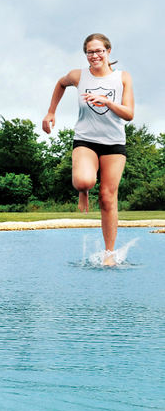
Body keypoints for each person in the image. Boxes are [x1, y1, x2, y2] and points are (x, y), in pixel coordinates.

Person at [42, 33, 134, 266]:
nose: (95, 56)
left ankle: (109, 254)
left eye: (99, 51)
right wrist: (51, 111)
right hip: (85, 139)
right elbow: (60, 84)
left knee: (107, 198)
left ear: (108, 51)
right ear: (86, 54)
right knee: (84, 181)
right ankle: (83, 189)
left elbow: (129, 114)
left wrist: (108, 102)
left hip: (113, 143)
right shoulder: (78, 76)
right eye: (90, 52)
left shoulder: (122, 78)